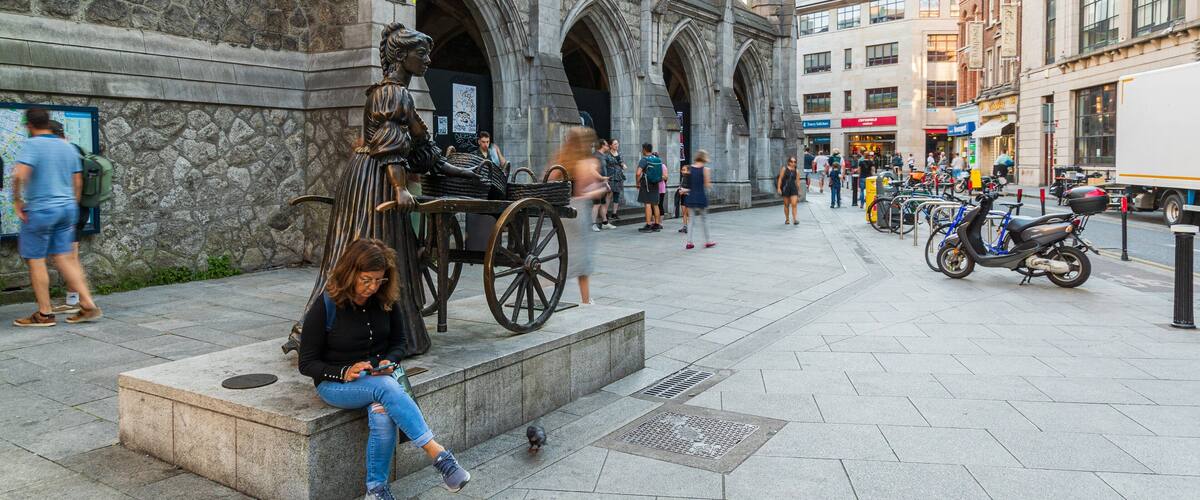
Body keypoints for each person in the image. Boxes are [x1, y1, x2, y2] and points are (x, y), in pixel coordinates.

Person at [299, 239, 470, 498]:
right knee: (386, 388)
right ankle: (439, 456)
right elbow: (307, 363)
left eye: (378, 280)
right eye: (366, 279)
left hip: (379, 380)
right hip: (336, 385)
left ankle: (376, 491)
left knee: (381, 413)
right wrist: (344, 372)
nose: (372, 287)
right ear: (350, 273)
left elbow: (399, 343)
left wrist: (388, 361)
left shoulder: (385, 299)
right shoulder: (326, 306)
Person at [11, 109, 102, 327]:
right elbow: (77, 182)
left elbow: (18, 175)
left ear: (29, 125)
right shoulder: (67, 146)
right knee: (64, 256)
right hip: (67, 208)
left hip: (42, 209)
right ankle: (88, 304)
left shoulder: (33, 145)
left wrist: (17, 200)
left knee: (36, 259)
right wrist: (71, 204)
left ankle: (44, 314)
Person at [549, 127, 606, 303]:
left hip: (562, 212)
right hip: (579, 212)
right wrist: (600, 189)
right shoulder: (588, 163)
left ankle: (547, 292)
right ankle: (586, 300)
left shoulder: (560, 160)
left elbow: (550, 182)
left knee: (562, 253)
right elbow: (584, 191)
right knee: (582, 258)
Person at [46, 120, 91, 315]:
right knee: (71, 254)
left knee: (69, 256)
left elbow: (76, 183)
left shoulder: (63, 152)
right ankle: (74, 299)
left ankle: (77, 301)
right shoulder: (75, 148)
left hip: (72, 210)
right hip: (79, 209)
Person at [683, 150, 715, 249]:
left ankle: (689, 242)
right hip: (700, 196)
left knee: (691, 220)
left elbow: (689, 185)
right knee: (704, 219)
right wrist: (710, 185)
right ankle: (708, 241)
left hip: (691, 196)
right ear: (704, 158)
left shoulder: (690, 169)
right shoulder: (706, 170)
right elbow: (707, 184)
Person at [635, 144, 664, 232]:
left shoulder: (644, 160)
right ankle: (657, 224)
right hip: (655, 183)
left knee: (647, 203)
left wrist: (637, 182)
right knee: (655, 204)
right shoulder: (657, 159)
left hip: (646, 183)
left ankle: (648, 225)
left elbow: (638, 173)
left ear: (644, 149)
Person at [591, 139, 614, 231]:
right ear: (602, 145)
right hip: (595, 183)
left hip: (602, 183)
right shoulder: (595, 156)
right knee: (596, 204)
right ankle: (593, 224)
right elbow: (592, 171)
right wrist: (602, 178)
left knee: (603, 203)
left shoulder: (603, 156)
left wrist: (605, 182)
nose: (608, 147)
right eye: (607, 145)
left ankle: (605, 222)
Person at [776, 156, 801, 225]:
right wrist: (778, 188)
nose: (793, 163)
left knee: (794, 204)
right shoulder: (784, 169)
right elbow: (780, 179)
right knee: (786, 204)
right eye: (791, 162)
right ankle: (787, 219)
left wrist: (799, 191)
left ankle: (795, 219)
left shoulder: (797, 171)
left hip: (793, 188)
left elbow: (798, 182)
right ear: (788, 162)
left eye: (794, 162)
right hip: (785, 188)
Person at [607, 139, 627, 221]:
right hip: (611, 176)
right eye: (615, 144)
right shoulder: (607, 154)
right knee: (609, 194)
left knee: (617, 195)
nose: (617, 145)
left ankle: (614, 213)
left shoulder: (620, 154)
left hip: (618, 176)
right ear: (611, 145)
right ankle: (605, 212)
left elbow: (622, 163)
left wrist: (623, 165)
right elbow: (608, 164)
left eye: (617, 144)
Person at [677, 163, 691, 233]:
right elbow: (682, 185)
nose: (682, 171)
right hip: (683, 196)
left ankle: (689, 227)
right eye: (682, 170)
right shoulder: (683, 178)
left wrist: (684, 191)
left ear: (688, 171)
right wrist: (680, 188)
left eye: (684, 170)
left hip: (689, 196)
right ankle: (685, 226)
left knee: (688, 213)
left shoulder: (691, 178)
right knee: (684, 213)